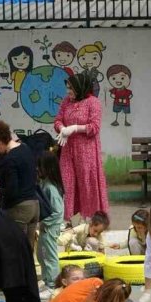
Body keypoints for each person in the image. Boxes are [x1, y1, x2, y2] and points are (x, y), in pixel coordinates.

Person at [55, 71, 109, 221]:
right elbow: (58, 120)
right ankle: (67, 220)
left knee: (86, 182)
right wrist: (62, 129)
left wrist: (75, 128)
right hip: (68, 149)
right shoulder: (66, 102)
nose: (68, 92)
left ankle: (88, 218)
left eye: (71, 88)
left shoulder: (93, 102)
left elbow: (94, 127)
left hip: (87, 151)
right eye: (67, 88)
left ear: (80, 87)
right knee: (67, 182)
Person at [0, 120, 40, 243]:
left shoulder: (10, 159)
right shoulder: (25, 149)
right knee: (27, 252)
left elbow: (11, 191)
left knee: (16, 250)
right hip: (34, 207)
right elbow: (25, 176)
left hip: (19, 209)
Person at [38, 151, 66, 299]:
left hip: (50, 227)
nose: (38, 170)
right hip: (46, 226)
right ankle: (47, 280)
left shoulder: (51, 187)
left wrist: (44, 222)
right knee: (41, 255)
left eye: (40, 167)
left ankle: (53, 285)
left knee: (49, 256)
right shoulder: (45, 183)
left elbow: (58, 211)